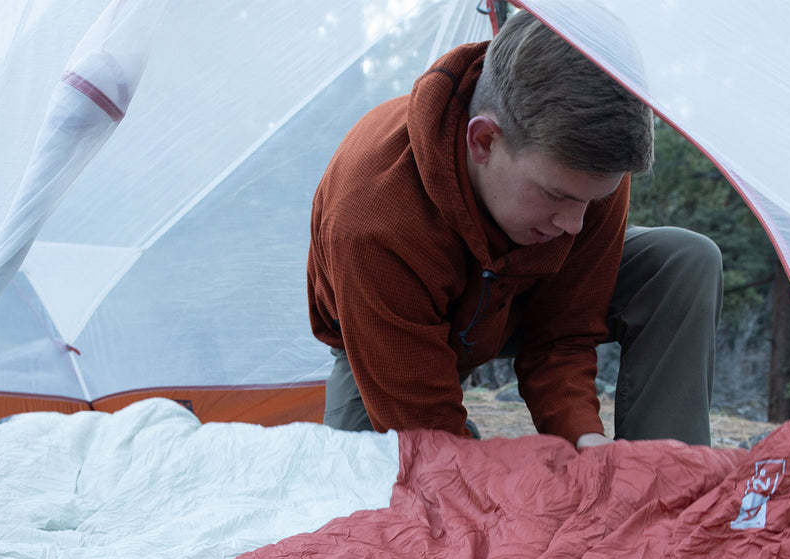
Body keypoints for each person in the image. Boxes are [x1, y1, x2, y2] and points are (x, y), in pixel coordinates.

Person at [307, 10, 722, 449]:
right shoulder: (372, 217)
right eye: (557, 196)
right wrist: (465, 458)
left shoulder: (587, 167)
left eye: (591, 201)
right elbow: (426, 435)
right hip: (388, 337)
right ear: (483, 141)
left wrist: (585, 441)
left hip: (518, 298)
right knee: (382, 480)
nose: (575, 225)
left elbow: (562, 335)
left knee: (683, 262)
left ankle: (664, 478)